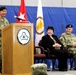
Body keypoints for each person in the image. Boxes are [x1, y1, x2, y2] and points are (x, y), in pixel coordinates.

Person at [0, 6, 9, 72]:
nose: (4, 12)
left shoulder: (6, 20)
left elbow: (9, 29)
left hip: (5, 42)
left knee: (3, 58)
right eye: (3, 11)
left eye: (5, 11)